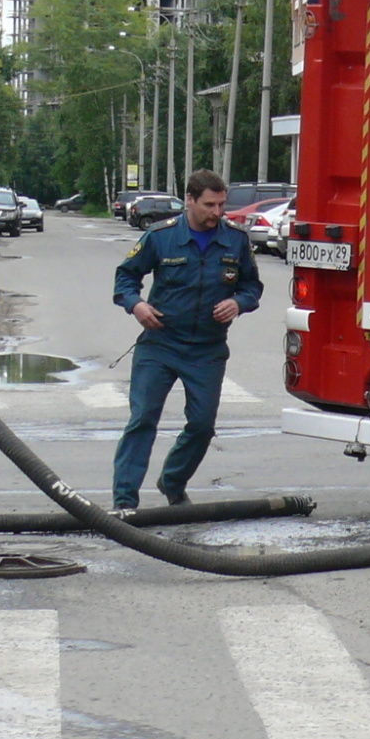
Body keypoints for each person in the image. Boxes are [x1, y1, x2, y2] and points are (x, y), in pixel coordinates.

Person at [111, 168, 262, 511]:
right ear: (189, 201)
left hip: (206, 350)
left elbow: (252, 287)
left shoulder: (235, 240)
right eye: (209, 205)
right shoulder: (161, 237)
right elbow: (125, 277)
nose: (217, 213)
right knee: (143, 419)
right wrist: (137, 305)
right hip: (160, 344)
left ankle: (173, 482)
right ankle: (124, 501)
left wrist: (238, 302)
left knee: (202, 425)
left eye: (221, 205)